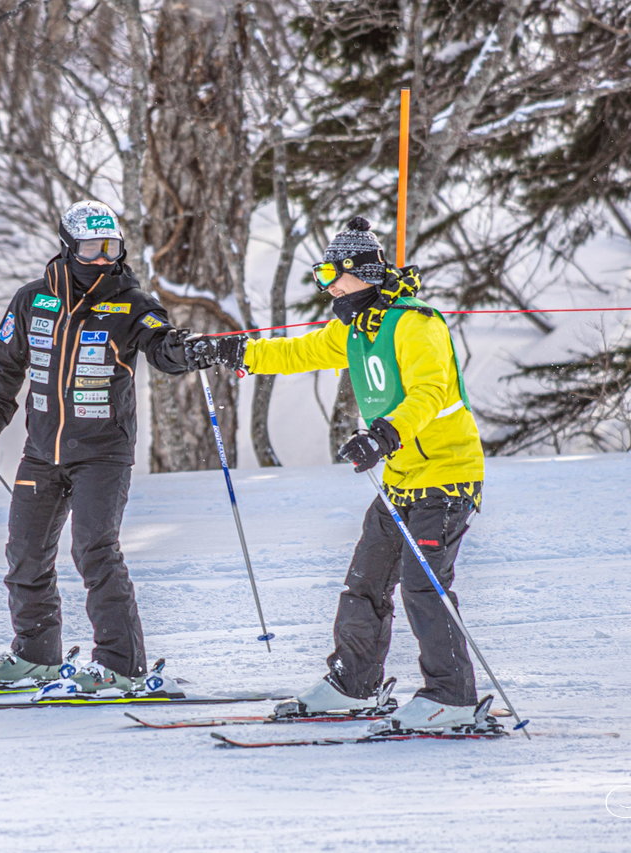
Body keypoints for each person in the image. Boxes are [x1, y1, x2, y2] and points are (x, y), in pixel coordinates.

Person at [189, 216, 485, 729]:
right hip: (401, 479)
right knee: (365, 583)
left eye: (333, 275)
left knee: (422, 586)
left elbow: (430, 393)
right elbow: (298, 351)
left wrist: (382, 435)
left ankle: (452, 697)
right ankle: (355, 686)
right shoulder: (354, 327)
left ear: (363, 273)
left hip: (446, 475)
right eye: (323, 276)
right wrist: (233, 351)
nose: (329, 287)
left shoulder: (416, 323)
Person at [0, 200, 198, 695]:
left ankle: (121, 665)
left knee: (94, 550)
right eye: (91, 247)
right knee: (25, 555)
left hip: (103, 453)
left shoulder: (132, 303)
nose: (102, 259)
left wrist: (182, 350)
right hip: (42, 452)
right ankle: (35, 656)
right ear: (68, 247)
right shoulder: (32, 301)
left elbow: (162, 347)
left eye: (111, 247)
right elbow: (5, 371)